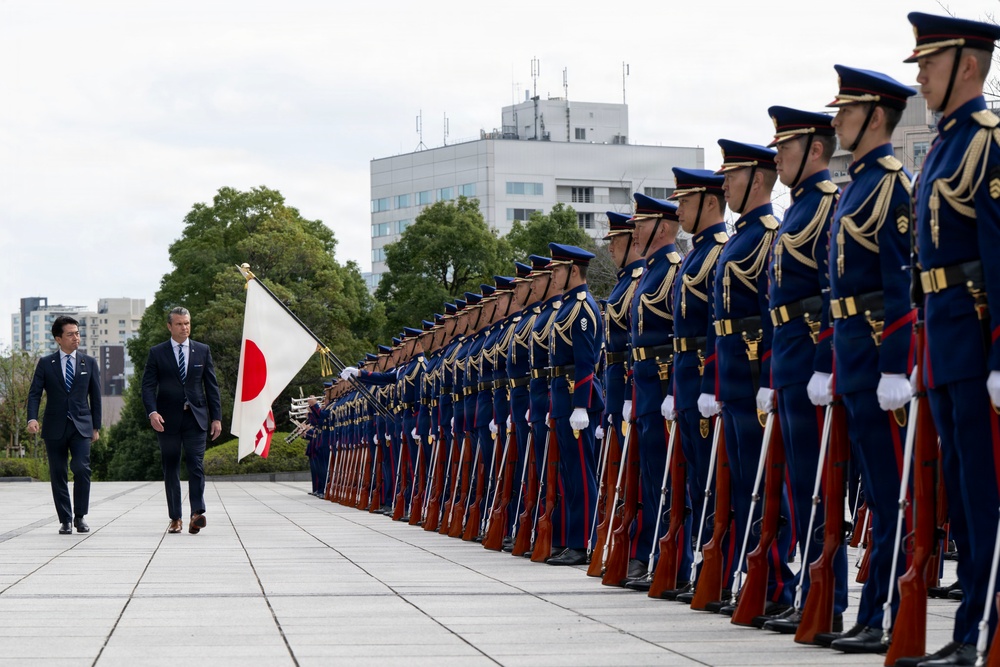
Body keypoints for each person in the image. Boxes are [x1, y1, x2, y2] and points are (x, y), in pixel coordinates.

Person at [904, 13, 1000, 667]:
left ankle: (982, 631)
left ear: (969, 63)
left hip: (973, 336)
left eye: (929, 63)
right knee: (961, 493)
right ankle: (969, 625)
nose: (920, 75)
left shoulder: (988, 143)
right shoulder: (942, 144)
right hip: (941, 339)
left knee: (985, 489)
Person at [821, 65, 915, 655]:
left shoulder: (892, 186)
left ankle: (887, 613)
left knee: (888, 498)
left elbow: (902, 283)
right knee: (870, 498)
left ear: (874, 116)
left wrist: (894, 366)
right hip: (850, 354)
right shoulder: (854, 185)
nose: (836, 122)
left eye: (846, 112)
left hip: (879, 358)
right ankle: (871, 611)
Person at [759, 106, 849, 635]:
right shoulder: (796, 210)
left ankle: (828, 598)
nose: (777, 158)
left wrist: (821, 363)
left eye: (784, 148)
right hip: (788, 360)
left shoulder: (827, 206)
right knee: (799, 488)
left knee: (821, 489)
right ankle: (806, 591)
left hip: (813, 363)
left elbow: (831, 293)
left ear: (815, 149)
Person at [544, 243, 605, 566]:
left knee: (582, 475)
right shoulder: (567, 307)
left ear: (574, 271)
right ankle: (572, 540)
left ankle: (583, 542)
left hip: (576, 400)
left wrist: (580, 404)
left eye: (558, 269)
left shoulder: (582, 308)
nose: (553, 274)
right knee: (570, 475)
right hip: (563, 399)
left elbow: (585, 362)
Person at [141, 306, 222, 534]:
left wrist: (216, 418)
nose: (184, 327)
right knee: (171, 468)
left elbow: (211, 387)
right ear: (169, 326)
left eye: (187, 323)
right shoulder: (157, 352)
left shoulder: (202, 350)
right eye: (179, 324)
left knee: (196, 465)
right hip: (166, 420)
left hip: (196, 418)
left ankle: (197, 513)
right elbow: (147, 387)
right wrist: (152, 412)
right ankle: (175, 517)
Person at [26, 315, 102, 535]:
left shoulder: (89, 362)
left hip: (82, 426)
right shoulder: (45, 363)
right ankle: (65, 519)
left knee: (81, 467)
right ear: (58, 338)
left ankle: (80, 516)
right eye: (70, 334)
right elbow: (34, 394)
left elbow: (95, 397)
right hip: (54, 427)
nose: (76, 337)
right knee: (58, 472)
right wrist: (32, 419)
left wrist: (95, 427)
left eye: (77, 333)